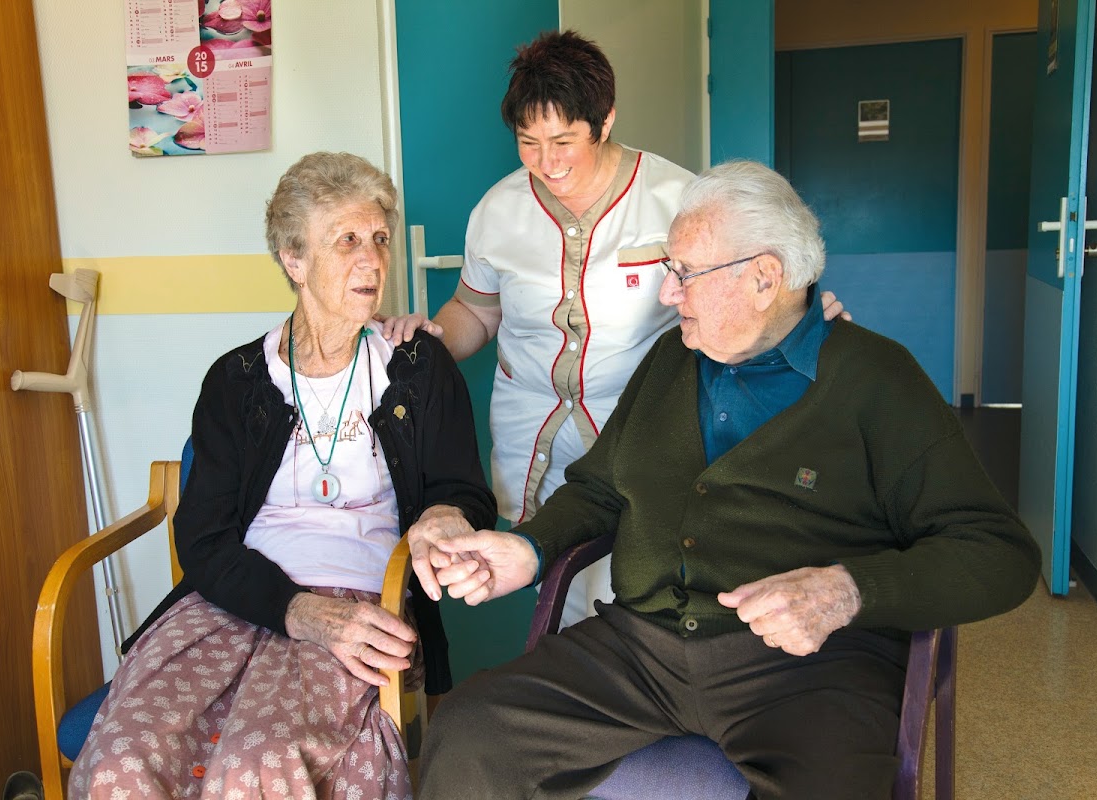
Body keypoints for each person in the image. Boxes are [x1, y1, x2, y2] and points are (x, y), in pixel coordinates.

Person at [409, 160, 1041, 800]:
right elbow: (601, 488)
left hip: (813, 669)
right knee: (468, 731)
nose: (665, 295)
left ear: (765, 278)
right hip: (642, 650)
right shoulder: (670, 360)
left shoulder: (878, 380)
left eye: (683, 274)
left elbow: (997, 552)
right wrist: (529, 548)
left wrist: (846, 592)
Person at [69, 152, 495, 800]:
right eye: (346, 240)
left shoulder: (416, 364)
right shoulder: (237, 383)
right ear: (293, 259)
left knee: (259, 768)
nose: (373, 259)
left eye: (379, 238)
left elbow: (461, 489)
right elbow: (205, 537)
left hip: (360, 603)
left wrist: (443, 518)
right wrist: (296, 610)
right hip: (231, 601)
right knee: (122, 764)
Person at [384, 30, 845, 626]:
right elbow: (476, 311)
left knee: (645, 578)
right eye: (528, 143)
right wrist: (426, 340)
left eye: (563, 141)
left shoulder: (678, 198)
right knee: (559, 585)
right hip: (536, 433)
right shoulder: (497, 210)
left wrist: (800, 315)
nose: (546, 163)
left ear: (604, 121)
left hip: (649, 425)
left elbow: (755, 285)